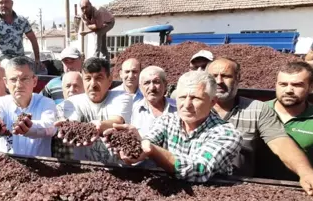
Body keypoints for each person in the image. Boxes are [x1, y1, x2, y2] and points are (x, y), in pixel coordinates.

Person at [207, 57, 313, 196]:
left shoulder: (257, 109)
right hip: (195, 181)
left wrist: (307, 173)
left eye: (226, 76)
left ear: (237, 79)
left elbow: (280, 142)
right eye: (213, 76)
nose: (219, 81)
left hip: (239, 188)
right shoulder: (189, 106)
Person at [105, 71, 242, 183]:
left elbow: (199, 170)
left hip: (211, 200)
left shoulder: (227, 134)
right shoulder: (167, 120)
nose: (186, 104)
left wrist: (152, 150)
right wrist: (133, 146)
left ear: (212, 102)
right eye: (182, 97)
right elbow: (149, 141)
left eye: (195, 98)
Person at [264, 62, 313, 182]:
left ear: (311, 87)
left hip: (299, 188)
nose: (289, 90)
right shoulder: (257, 111)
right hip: (253, 185)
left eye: (297, 85)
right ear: (276, 85)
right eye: (283, 84)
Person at [57, 57, 132, 164]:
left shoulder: (122, 97)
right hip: (83, 169)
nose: (93, 84)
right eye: (88, 79)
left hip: (117, 167)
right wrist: (67, 127)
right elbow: (71, 124)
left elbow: (117, 121)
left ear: (109, 80)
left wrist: (97, 126)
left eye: (99, 78)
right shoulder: (72, 102)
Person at [0, 56, 56, 157]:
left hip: (42, 167)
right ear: (6, 83)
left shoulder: (46, 103)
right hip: (9, 166)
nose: (19, 85)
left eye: (24, 79)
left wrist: (29, 127)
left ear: (34, 81)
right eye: (13, 79)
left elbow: (50, 127)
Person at [0, 0, 42, 70]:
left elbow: (33, 39)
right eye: (1, 3)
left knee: (35, 70)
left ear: (12, 3)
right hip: (3, 59)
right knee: (11, 67)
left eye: (6, 2)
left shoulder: (21, 20)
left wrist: (37, 59)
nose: (4, 5)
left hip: (20, 58)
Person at [131, 66, 176, 137]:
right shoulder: (132, 110)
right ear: (140, 87)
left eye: (156, 82)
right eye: (147, 83)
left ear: (165, 84)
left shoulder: (178, 109)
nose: (152, 88)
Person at [52, 71, 84, 160]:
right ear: (62, 90)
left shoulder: (91, 110)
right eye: (68, 86)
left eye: (76, 85)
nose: (72, 89)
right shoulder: (55, 110)